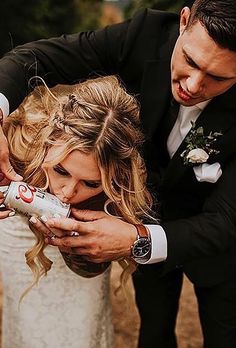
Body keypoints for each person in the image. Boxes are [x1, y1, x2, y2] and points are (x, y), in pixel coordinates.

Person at [0, 0, 235, 346]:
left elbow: (228, 219)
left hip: (218, 248)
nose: (194, 84)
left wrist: (136, 239)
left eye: (217, 77)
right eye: (189, 60)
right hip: (143, 210)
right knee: (154, 330)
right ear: (184, 21)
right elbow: (33, 58)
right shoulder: (146, 35)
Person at [0, 75, 154, 348]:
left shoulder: (120, 187)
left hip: (79, 270)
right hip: (19, 244)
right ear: (48, 142)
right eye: (61, 170)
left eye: (91, 183)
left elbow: (93, 268)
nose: (67, 192)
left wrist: (74, 242)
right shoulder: (19, 142)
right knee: (28, 325)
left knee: (80, 332)